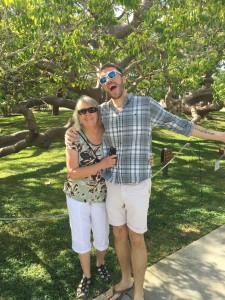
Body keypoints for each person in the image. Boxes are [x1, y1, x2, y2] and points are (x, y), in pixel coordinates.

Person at [65, 63, 225, 300]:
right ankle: (125, 279)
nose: (108, 80)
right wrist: (69, 131)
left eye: (112, 75)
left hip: (138, 185)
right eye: (103, 79)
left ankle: (138, 292)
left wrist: (220, 135)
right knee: (118, 234)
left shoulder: (145, 104)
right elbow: (83, 123)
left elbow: (181, 125)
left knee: (136, 237)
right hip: (112, 184)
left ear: (123, 78)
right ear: (103, 86)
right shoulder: (103, 111)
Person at [63, 95, 117, 299]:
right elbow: (73, 172)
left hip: (104, 194)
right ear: (77, 115)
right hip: (77, 196)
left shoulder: (110, 133)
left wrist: (145, 158)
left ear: (98, 110)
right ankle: (86, 276)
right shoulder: (74, 136)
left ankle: (100, 263)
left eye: (91, 110)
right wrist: (102, 165)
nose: (87, 114)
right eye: (82, 111)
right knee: (81, 235)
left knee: (102, 234)